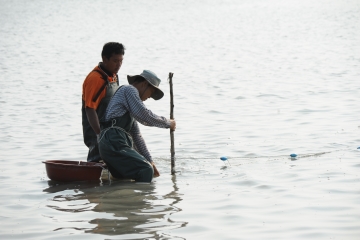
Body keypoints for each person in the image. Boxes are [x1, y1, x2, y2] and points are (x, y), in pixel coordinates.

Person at [98, 70, 176, 183]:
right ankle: (142, 199)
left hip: (110, 144)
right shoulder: (129, 90)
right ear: (144, 84)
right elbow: (145, 115)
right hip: (113, 141)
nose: (149, 97)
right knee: (145, 170)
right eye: (151, 92)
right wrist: (167, 123)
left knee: (126, 178)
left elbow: (137, 137)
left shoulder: (130, 108)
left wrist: (150, 161)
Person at [82, 42, 125, 162]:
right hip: (97, 132)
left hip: (112, 132)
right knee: (96, 163)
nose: (119, 65)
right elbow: (90, 109)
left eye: (121, 61)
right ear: (104, 59)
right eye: (115, 61)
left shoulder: (113, 76)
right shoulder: (95, 79)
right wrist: (99, 134)